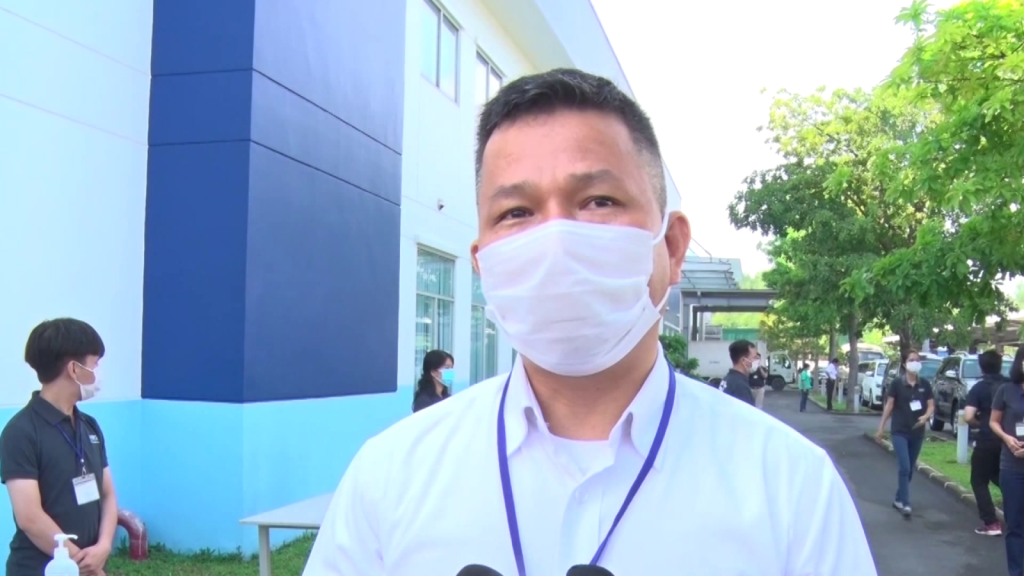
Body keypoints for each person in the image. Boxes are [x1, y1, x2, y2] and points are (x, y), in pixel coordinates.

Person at [304, 68, 874, 576]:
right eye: (516, 212)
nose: (556, 240)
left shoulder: (791, 486)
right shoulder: (390, 476)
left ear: (673, 247)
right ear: (483, 265)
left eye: (598, 201)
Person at [0, 319, 118, 575]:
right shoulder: (21, 432)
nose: (98, 373)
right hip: (41, 568)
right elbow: (29, 516)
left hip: (90, 564)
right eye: (95, 364)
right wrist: (82, 564)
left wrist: (104, 546)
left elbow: (108, 494)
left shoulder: (90, 426)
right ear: (74, 369)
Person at [875, 349, 935, 518]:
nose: (915, 363)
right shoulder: (897, 384)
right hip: (900, 431)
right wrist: (881, 427)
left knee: (909, 469)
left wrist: (926, 416)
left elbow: (931, 405)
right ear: (904, 364)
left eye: (917, 360)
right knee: (904, 466)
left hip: (917, 431)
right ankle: (906, 503)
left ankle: (898, 498)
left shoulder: (925, 384)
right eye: (911, 360)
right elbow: (889, 405)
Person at [990, 346, 1024, 576]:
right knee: (1014, 524)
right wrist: (1007, 438)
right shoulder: (1006, 390)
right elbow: (994, 421)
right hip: (1012, 468)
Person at [965, 349, 1006, 536]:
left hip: (987, 440)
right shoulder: (1010, 385)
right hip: (1009, 440)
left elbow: (968, 416)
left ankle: (991, 523)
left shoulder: (978, 388)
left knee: (979, 480)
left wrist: (979, 423)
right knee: (1002, 477)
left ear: (981, 368)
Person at [720, 340, 756, 406]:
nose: (756, 361)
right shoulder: (740, 387)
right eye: (754, 358)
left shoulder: (727, 379)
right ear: (743, 360)